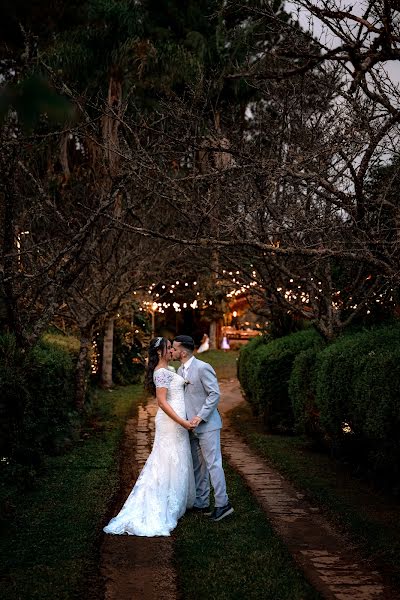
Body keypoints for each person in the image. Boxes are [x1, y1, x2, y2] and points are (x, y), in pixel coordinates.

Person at [103, 337, 195, 536]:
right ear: (160, 352)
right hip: (171, 422)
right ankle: (161, 502)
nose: (172, 350)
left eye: (172, 347)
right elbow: (162, 402)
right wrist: (182, 422)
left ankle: (175, 500)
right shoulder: (161, 373)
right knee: (166, 459)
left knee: (177, 458)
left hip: (177, 420)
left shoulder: (169, 371)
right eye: (169, 348)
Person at [171, 335, 234, 522]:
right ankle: (202, 501)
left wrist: (200, 416)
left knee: (214, 464)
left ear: (182, 352)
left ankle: (223, 504)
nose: (172, 351)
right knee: (199, 467)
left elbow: (214, 394)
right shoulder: (180, 369)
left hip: (207, 425)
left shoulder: (202, 367)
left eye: (174, 349)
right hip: (190, 427)